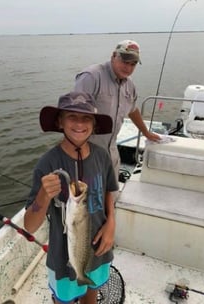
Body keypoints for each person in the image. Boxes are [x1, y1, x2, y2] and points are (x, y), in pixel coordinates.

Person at [24, 92, 118, 304]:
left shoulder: (102, 155)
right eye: (71, 117)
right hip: (64, 256)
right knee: (63, 300)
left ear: (94, 125)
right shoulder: (47, 163)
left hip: (99, 249)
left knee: (91, 296)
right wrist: (42, 196)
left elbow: (108, 191)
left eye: (86, 118)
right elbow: (30, 226)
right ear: (60, 121)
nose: (79, 124)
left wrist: (111, 221)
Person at [74, 39, 160, 180]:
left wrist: (146, 132)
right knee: (87, 195)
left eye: (133, 64)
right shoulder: (91, 76)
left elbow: (132, 110)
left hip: (112, 150)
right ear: (113, 56)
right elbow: (73, 115)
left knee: (111, 192)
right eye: (125, 62)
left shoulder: (129, 84)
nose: (128, 68)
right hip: (86, 150)